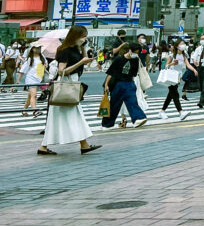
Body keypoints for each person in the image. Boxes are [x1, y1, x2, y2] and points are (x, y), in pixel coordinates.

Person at [37, 26, 101, 156]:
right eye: (83, 36)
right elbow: (61, 71)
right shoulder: (64, 50)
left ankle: (82, 145)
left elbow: (83, 61)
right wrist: (81, 62)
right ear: (75, 36)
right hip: (66, 84)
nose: (85, 38)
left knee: (61, 117)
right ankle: (83, 145)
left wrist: (83, 49)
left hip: (71, 83)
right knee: (73, 114)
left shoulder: (75, 49)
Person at [102, 43, 148, 129]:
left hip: (129, 83)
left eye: (137, 53)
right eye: (134, 52)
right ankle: (107, 124)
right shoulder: (119, 59)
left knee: (132, 101)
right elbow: (110, 72)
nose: (135, 54)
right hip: (118, 84)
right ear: (129, 50)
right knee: (114, 105)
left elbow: (134, 74)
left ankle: (138, 118)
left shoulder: (135, 60)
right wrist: (106, 84)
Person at [159, 43, 191, 121]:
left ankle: (162, 111)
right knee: (175, 94)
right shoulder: (172, 55)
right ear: (177, 46)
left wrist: (193, 69)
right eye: (181, 44)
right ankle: (181, 112)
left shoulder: (184, 55)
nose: (183, 45)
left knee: (170, 95)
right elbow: (166, 66)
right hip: (171, 77)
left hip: (178, 77)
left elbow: (187, 64)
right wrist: (173, 63)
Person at [20, 45, 47, 117]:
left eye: (39, 48)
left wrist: (45, 65)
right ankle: (35, 111)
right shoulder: (30, 59)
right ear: (32, 49)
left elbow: (46, 64)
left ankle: (24, 110)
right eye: (36, 47)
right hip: (30, 78)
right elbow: (23, 69)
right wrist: (18, 79)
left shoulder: (42, 57)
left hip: (38, 78)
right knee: (34, 95)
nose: (38, 49)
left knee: (30, 96)